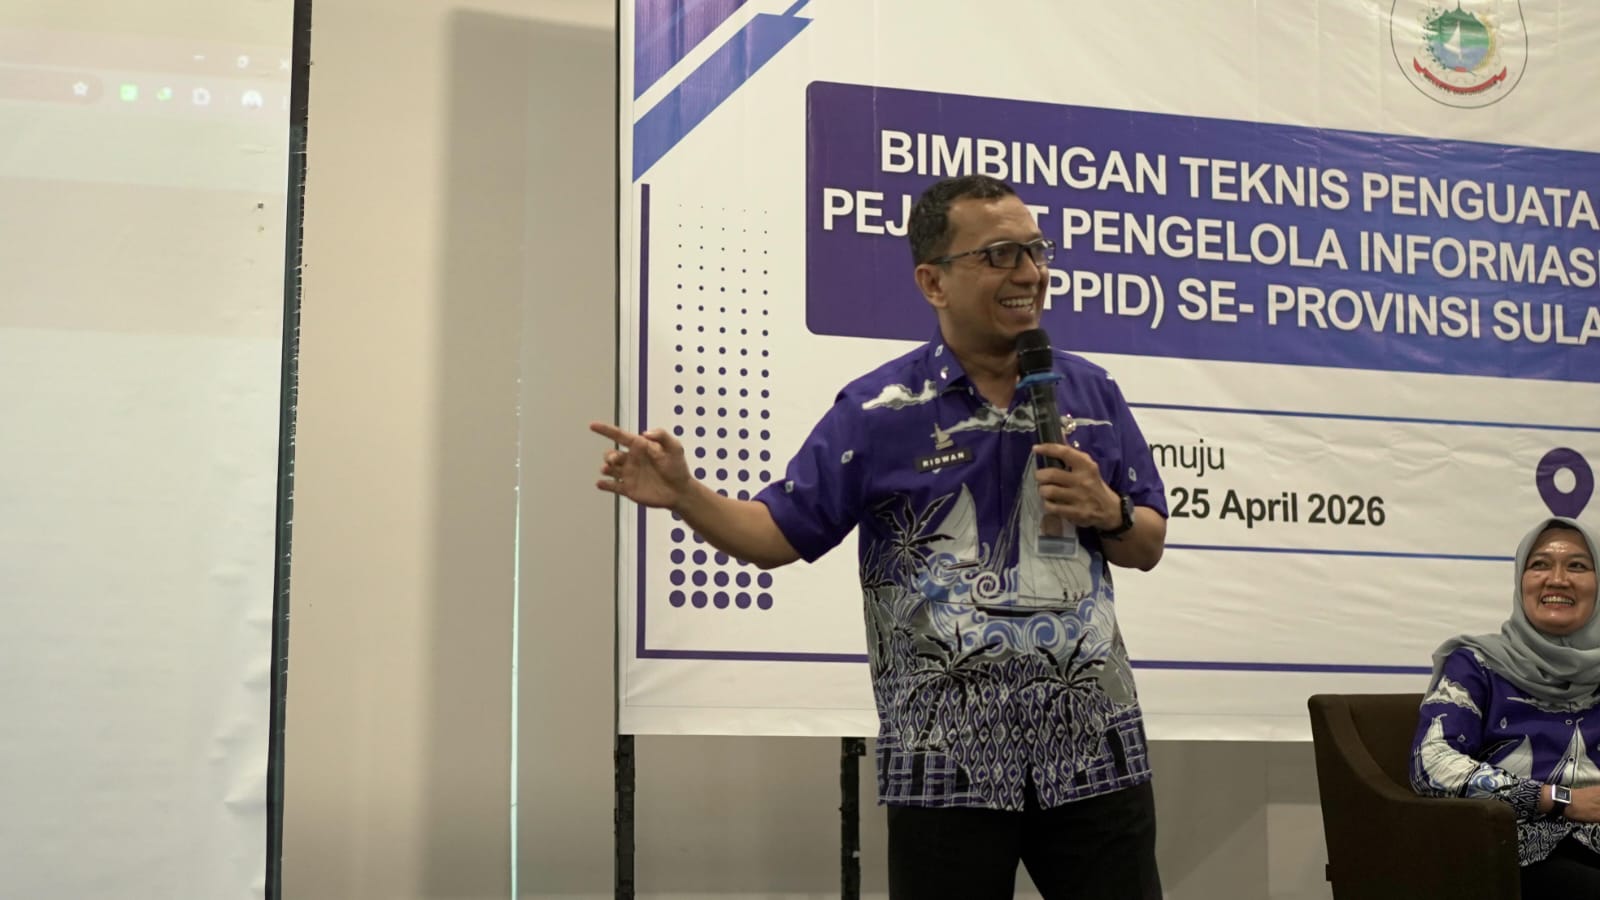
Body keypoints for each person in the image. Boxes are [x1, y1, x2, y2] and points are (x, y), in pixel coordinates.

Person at [593, 174, 1168, 898]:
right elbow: (776, 532)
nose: (1029, 273)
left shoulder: (1091, 393)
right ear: (933, 281)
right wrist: (685, 495)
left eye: (1035, 250)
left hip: (1094, 755)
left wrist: (1109, 510)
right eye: (999, 255)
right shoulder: (879, 410)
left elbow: (1147, 543)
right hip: (945, 764)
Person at [1412, 516, 1600, 896]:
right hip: (1515, 851)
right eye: (1540, 564)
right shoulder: (1478, 664)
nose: (1557, 579)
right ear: (1521, 581)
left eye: (1577, 566)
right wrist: (1559, 799)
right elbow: (1431, 763)